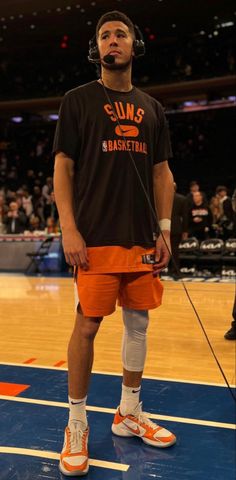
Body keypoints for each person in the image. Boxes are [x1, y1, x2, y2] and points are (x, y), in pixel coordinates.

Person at [53, 10, 176, 477]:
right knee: (87, 326)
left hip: (142, 236)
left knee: (138, 323)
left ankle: (128, 412)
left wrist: (164, 229)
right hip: (96, 235)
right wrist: (69, 227)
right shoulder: (77, 100)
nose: (112, 40)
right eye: (104, 35)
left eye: (120, 33)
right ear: (96, 49)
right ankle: (77, 423)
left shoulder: (152, 107)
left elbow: (163, 172)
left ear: (134, 45)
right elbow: (63, 167)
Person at [169, 182, 187, 276]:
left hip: (163, 227)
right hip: (176, 227)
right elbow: (185, 217)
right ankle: (175, 271)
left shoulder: (161, 197)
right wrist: (185, 230)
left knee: (162, 250)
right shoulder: (182, 198)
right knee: (175, 250)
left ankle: (161, 271)